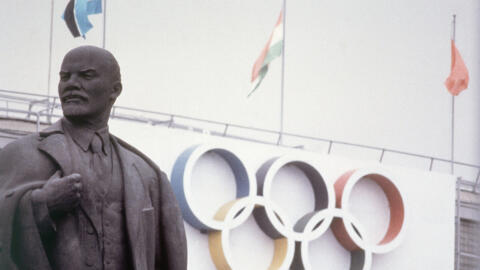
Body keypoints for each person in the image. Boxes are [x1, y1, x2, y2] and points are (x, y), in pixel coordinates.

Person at [0, 46, 187, 270]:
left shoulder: (147, 174)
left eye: (86, 75)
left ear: (115, 90)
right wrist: (42, 204)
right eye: (65, 77)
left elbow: (169, 258)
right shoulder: (21, 154)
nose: (72, 84)